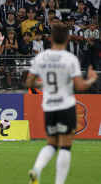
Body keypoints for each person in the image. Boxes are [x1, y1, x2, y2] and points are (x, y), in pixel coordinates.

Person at [26, 24, 97, 184]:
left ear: (50, 38)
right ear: (67, 38)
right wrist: (91, 79)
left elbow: (29, 82)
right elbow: (79, 86)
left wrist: (45, 85)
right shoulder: (69, 58)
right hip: (65, 106)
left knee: (51, 144)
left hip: (49, 107)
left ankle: (37, 169)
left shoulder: (41, 57)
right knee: (65, 146)